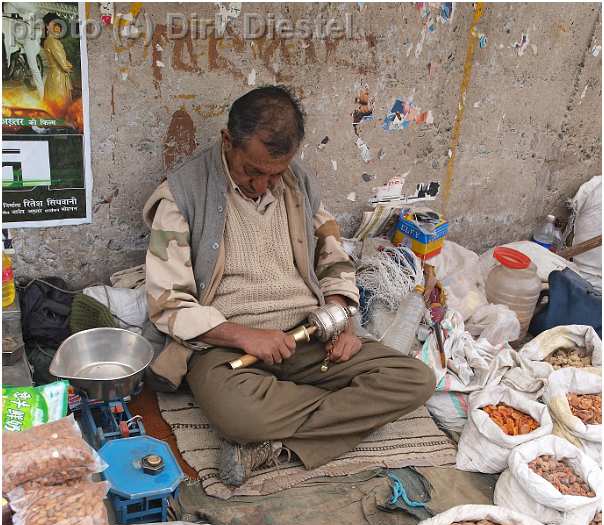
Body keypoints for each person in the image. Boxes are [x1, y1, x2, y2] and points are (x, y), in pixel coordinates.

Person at [144, 86, 436, 487]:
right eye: (252, 171)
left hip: (310, 334)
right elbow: (168, 304)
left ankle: (272, 442)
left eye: (275, 174)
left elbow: (333, 256)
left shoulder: (297, 184)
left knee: (415, 380)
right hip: (227, 348)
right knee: (240, 416)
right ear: (228, 141)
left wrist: (341, 317)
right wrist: (244, 335)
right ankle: (290, 424)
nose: (263, 185)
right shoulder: (182, 196)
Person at [43, 18, 73, 117]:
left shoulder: (49, 41)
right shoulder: (53, 42)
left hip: (53, 76)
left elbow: (62, 59)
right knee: (59, 104)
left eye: (59, 28)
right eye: (56, 28)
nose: (59, 31)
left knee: (51, 103)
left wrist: (66, 64)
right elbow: (62, 63)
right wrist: (67, 67)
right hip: (58, 77)